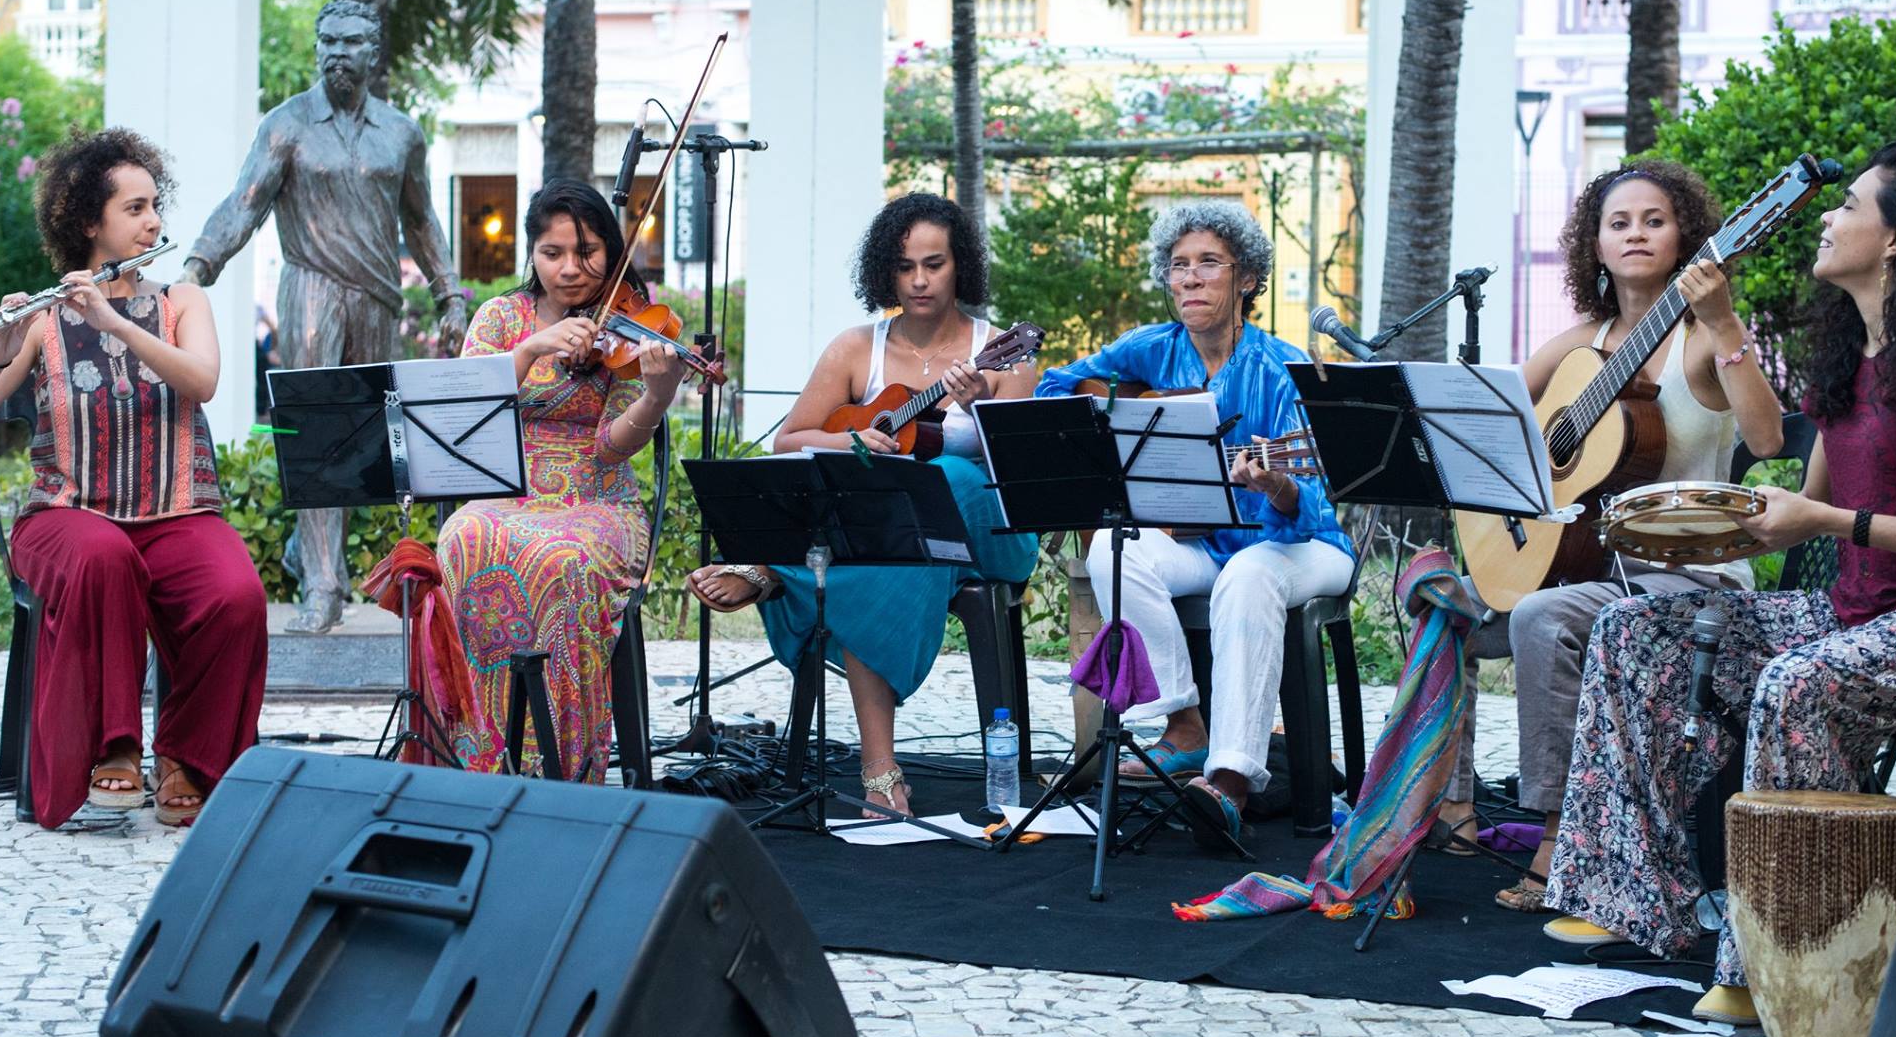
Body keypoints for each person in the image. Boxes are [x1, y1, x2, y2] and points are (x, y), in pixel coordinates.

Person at [1540, 145, 1896, 1026]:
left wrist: (1826, 521)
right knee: (1635, 630)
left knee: (1796, 684)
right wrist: (1683, 522)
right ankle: (1631, 895)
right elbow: (1796, 508)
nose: (1828, 216)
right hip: (1851, 610)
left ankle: (1775, 961)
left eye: (1850, 205)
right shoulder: (1853, 354)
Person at [1437, 161, 1785, 908]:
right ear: (1593, 244)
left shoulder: (1701, 339)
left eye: (1654, 220)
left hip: (1688, 576)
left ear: (1687, 236)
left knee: (1540, 616)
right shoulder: (1582, 343)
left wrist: (1726, 324)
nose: (1635, 234)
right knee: (1445, 603)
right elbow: (1492, 422)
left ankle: (1562, 834)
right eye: (1618, 222)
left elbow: (1768, 437)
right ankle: (1452, 807)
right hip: (1587, 566)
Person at [685, 192, 1039, 816]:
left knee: (946, 474)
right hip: (893, 540)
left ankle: (775, 570)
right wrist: (850, 440)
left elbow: (1020, 470)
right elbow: (789, 441)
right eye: (905, 267)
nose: (920, 280)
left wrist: (979, 403)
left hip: (989, 528)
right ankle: (881, 774)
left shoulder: (1002, 353)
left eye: (934, 264)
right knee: (880, 529)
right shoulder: (856, 347)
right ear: (885, 271)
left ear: (961, 265)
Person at [0, 129, 268, 829]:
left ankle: (185, 756)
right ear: (89, 223)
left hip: (176, 512)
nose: (154, 220)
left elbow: (203, 381)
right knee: (104, 556)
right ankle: (114, 747)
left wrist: (116, 322)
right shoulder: (44, 316)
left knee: (237, 594)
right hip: (66, 516)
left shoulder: (183, 301)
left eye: (155, 205)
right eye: (135, 208)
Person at [1034, 201, 1356, 849]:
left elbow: (1313, 508)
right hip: (1207, 543)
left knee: (1250, 572)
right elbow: (1054, 386)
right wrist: (1122, 429)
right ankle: (1183, 723)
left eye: (1209, 262)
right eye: (1179, 265)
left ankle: (1229, 782)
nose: (1190, 278)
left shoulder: (1280, 366)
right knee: (1116, 549)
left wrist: (1274, 485)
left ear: (1247, 278)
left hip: (1303, 545)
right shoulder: (1153, 349)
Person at [181, 0, 469, 634]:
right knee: (318, 431)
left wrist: (449, 292)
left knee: (365, 440)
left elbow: (421, 219)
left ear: (373, 52)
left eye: (351, 42)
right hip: (310, 286)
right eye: (329, 41)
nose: (338, 52)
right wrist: (198, 267)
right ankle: (323, 585)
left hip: (377, 296)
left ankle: (303, 546)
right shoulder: (285, 125)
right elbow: (245, 204)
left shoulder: (402, 133)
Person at [436, 181, 686, 781]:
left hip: (598, 500)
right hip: (504, 493)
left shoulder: (632, 325)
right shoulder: (501, 317)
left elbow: (609, 448)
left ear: (612, 251)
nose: (570, 269)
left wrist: (656, 396)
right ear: (532, 254)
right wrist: (529, 350)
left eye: (588, 252)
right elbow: (462, 411)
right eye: (553, 254)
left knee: (563, 559)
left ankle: (564, 768)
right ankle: (477, 758)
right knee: (461, 539)